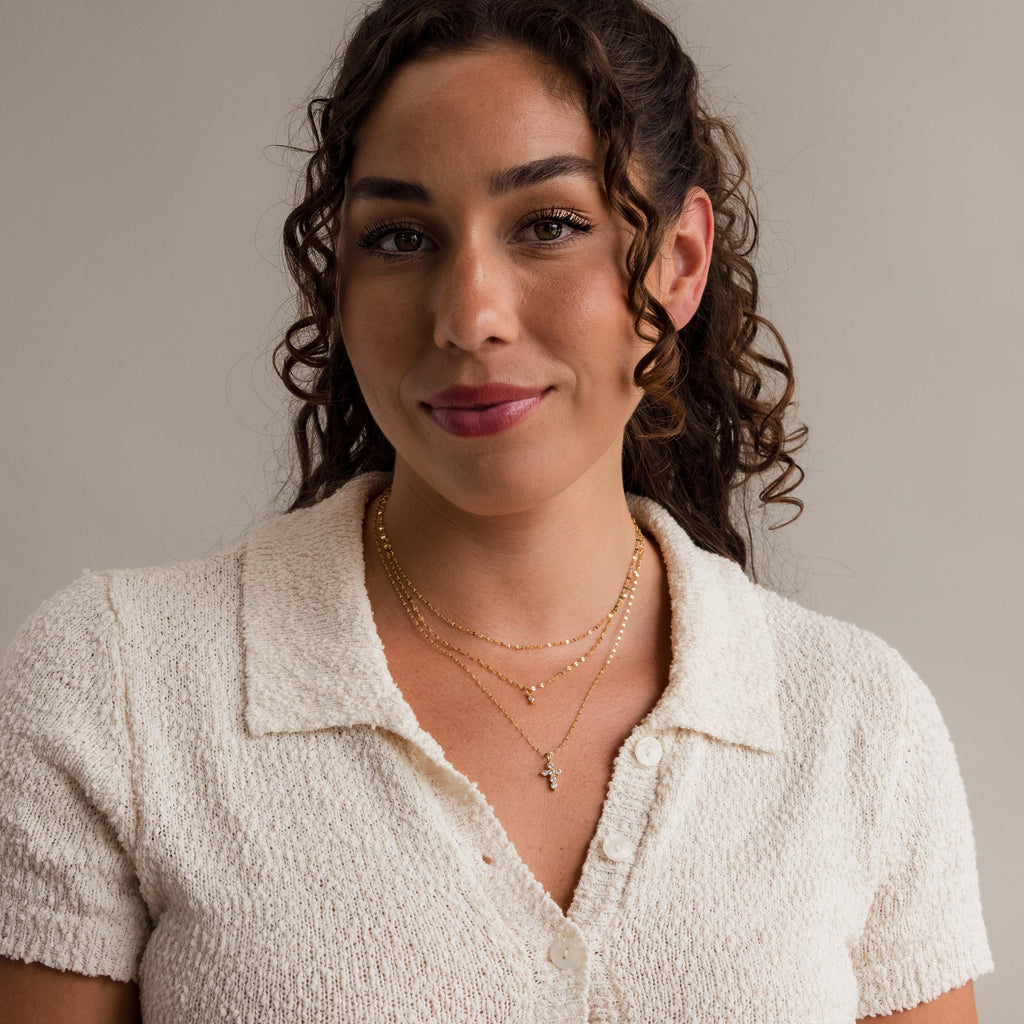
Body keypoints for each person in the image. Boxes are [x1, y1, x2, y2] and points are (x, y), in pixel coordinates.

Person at [0, 0, 994, 1020]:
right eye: (398, 236)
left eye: (550, 225)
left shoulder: (855, 722)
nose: (468, 314)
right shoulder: (118, 688)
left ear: (679, 262)